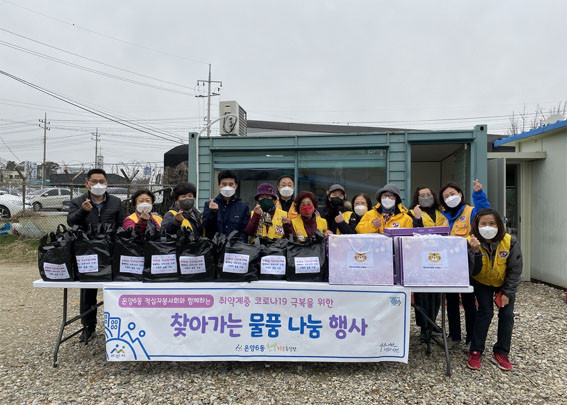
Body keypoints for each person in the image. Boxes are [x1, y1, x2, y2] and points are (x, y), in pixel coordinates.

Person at [67, 168, 124, 342]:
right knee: (88, 291)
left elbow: (122, 224)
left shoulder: (116, 202)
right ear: (87, 183)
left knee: (115, 290)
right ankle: (88, 327)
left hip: (110, 251)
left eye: (102, 181)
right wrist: (83, 211)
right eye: (94, 181)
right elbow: (71, 221)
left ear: (107, 184)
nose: (98, 184)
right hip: (87, 252)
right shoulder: (77, 202)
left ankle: (118, 327)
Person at [467, 208, 522, 371]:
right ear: (477, 226)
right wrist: (475, 251)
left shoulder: (510, 241)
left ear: (499, 224)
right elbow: (473, 271)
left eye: (492, 223)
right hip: (481, 282)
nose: (488, 227)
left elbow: (515, 269)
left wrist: (507, 292)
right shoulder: (470, 241)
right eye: (483, 223)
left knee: (507, 315)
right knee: (485, 313)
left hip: (503, 283)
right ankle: (476, 350)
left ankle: (501, 352)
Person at [440, 179, 491, 350]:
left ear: (460, 194)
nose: (450, 197)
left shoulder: (471, 211)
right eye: (446, 196)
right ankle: (454, 335)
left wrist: (479, 194)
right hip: (448, 264)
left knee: (469, 301)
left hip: (468, 263)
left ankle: (471, 338)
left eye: (452, 193)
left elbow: (485, 213)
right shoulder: (443, 217)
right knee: (451, 301)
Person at [408, 186, 449, 341]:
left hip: (439, 257)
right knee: (422, 295)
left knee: (436, 294)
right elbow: (412, 234)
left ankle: (432, 322)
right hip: (420, 258)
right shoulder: (411, 213)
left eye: (428, 194)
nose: (426, 197)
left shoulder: (441, 212)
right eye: (422, 195)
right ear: (417, 198)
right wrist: (417, 219)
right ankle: (424, 327)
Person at [202, 170, 249, 242]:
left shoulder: (243, 207)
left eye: (231, 184)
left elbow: (244, 232)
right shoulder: (209, 205)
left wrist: (237, 245)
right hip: (215, 246)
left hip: (235, 247)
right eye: (224, 184)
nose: (227, 187)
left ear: (236, 186)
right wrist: (213, 212)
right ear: (219, 185)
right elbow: (207, 229)